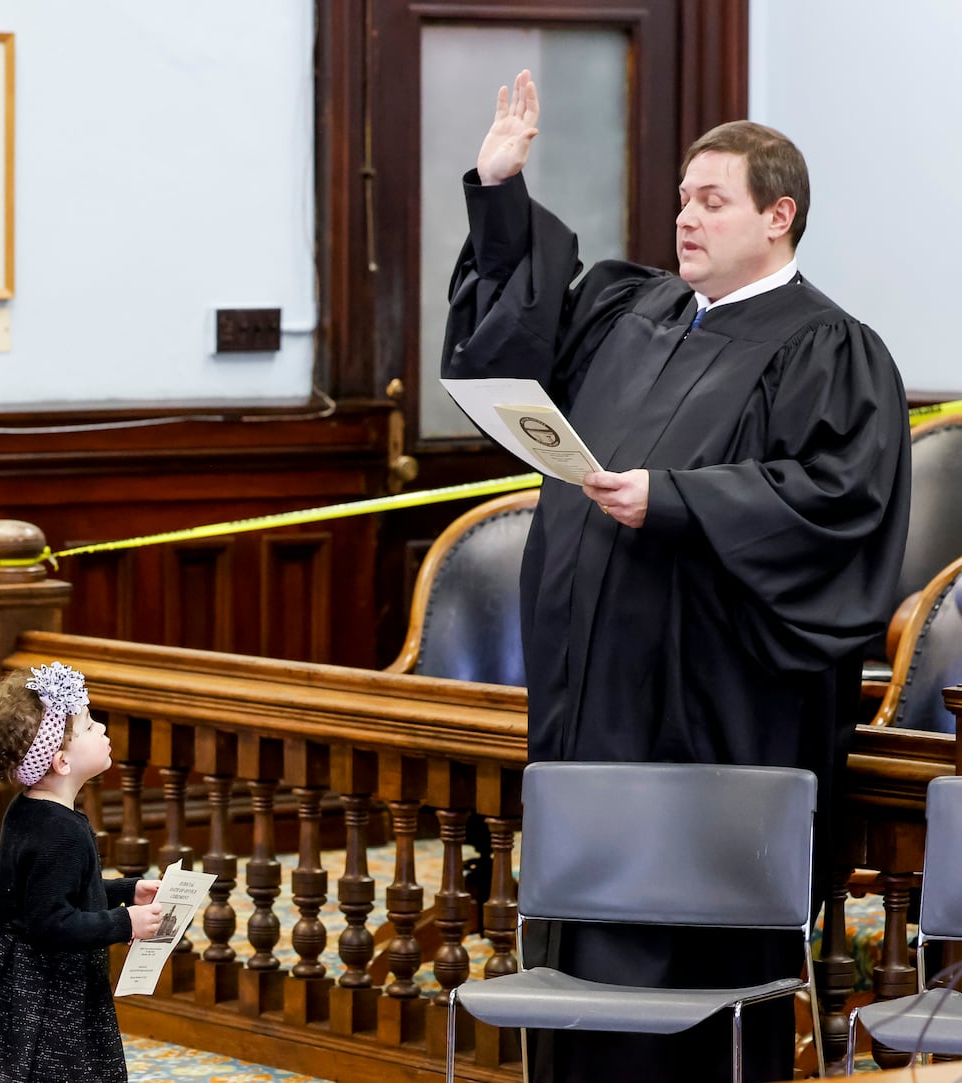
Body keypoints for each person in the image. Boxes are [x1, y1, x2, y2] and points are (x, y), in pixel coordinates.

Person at [442, 71, 911, 1082]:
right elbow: (514, 346)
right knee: (581, 950)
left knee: (675, 977)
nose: (683, 218)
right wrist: (498, 190)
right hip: (586, 699)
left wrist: (679, 502)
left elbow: (839, 503)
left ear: (777, 216)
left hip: (705, 711)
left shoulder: (826, 348)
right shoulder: (633, 310)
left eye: (712, 200)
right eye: (682, 198)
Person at [0, 662, 165, 1082]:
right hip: (48, 993)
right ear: (61, 762)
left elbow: (47, 894)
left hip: (16, 975)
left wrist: (128, 890)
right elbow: (52, 922)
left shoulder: (29, 810)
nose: (102, 728)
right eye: (90, 726)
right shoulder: (64, 833)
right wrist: (124, 921)